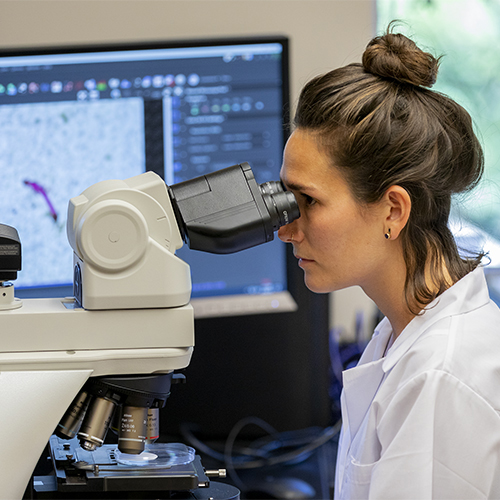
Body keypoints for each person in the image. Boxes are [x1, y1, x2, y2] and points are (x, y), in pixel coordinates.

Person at [277, 25, 500, 499]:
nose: (286, 228)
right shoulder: (405, 330)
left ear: (393, 210)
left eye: (309, 202)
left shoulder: (438, 377)